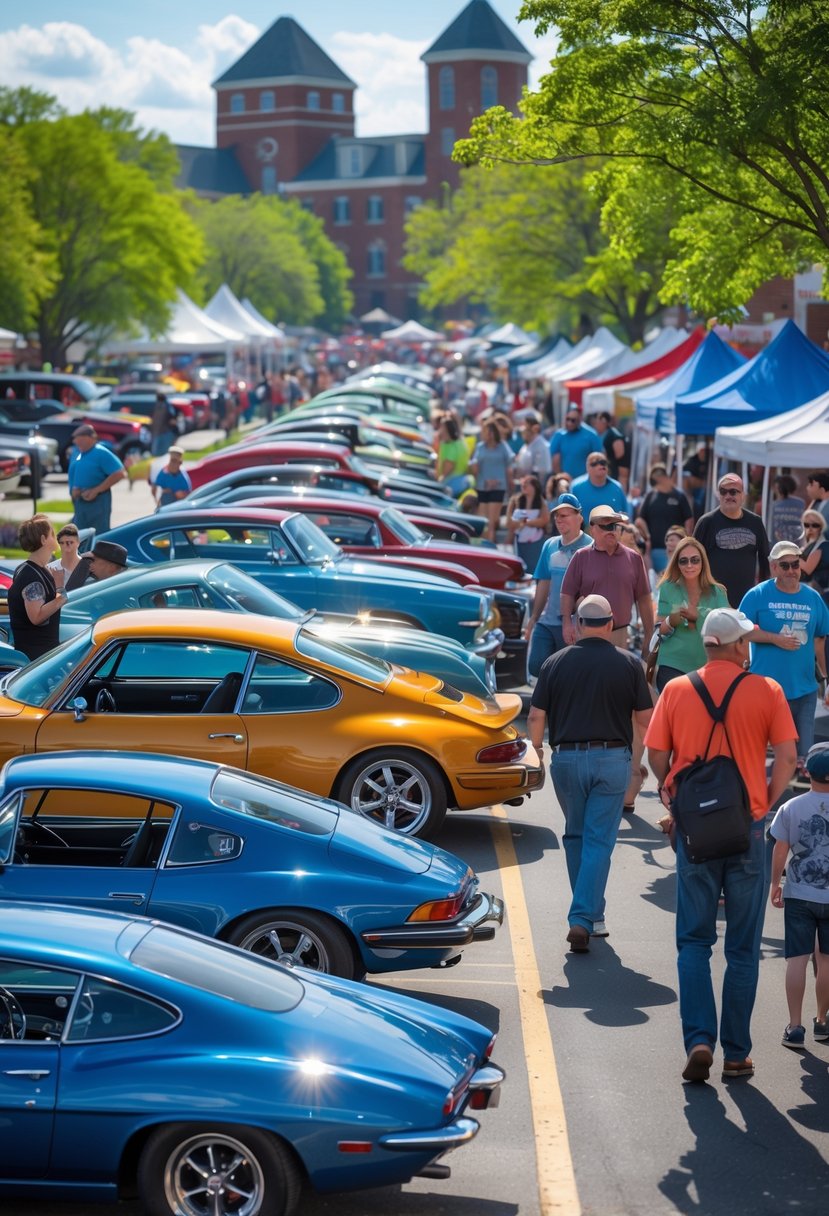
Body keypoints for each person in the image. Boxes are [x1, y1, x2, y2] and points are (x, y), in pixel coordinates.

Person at [646, 607, 797, 1083]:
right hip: (747, 826)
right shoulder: (766, 690)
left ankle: (698, 1040)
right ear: (735, 645)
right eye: (747, 639)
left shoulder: (675, 689)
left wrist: (671, 793)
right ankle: (736, 1052)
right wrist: (764, 806)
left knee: (693, 940)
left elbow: (655, 753)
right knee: (743, 947)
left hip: (695, 830)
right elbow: (789, 757)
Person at [528, 594, 653, 949]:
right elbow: (646, 721)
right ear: (611, 623)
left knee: (576, 836)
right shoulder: (629, 664)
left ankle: (590, 916)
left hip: (566, 759)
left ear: (578, 625)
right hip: (612, 760)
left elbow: (536, 716)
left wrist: (536, 751)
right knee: (599, 840)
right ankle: (583, 917)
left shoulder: (554, 663)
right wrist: (651, 764)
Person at [739, 540, 829, 770]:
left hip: (805, 689)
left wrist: (826, 680)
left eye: (795, 565)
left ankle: (802, 803)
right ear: (774, 567)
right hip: (766, 689)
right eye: (785, 565)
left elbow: (821, 641)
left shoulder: (812, 598)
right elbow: (740, 631)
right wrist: (774, 638)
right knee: (760, 753)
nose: (791, 571)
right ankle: (761, 798)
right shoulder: (757, 594)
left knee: (805, 759)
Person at [769, 741, 829, 1048]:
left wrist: (775, 883)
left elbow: (780, 848)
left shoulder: (791, 807)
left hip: (799, 893)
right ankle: (822, 1020)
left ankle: (795, 1027)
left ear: (807, 772)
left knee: (797, 958)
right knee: (827, 961)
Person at [561, 505, 653, 651]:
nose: (611, 531)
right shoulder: (581, 556)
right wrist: (566, 623)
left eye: (613, 526)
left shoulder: (634, 558)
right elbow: (567, 593)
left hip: (621, 634)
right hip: (587, 635)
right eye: (605, 526)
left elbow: (644, 598)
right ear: (593, 530)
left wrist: (649, 635)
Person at [525, 493, 591, 676]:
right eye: (556, 516)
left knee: (568, 676)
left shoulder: (591, 547)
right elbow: (544, 582)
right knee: (537, 667)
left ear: (579, 517)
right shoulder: (549, 545)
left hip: (576, 627)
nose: (558, 520)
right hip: (547, 622)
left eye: (564, 515)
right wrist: (534, 618)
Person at [653, 536, 729, 692]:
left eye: (695, 560)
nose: (689, 565)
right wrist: (670, 621)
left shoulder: (718, 592)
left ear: (703, 562)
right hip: (672, 662)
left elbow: (728, 627)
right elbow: (659, 629)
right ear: (677, 563)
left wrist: (699, 617)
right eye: (683, 561)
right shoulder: (668, 587)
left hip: (706, 665)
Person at [693, 472, 770, 608]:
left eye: (733, 492)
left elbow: (765, 560)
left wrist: (763, 593)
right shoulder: (706, 522)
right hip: (712, 600)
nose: (728, 496)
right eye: (723, 491)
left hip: (746, 600)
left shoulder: (755, 522)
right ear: (718, 495)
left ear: (743, 496)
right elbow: (692, 560)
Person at [8, 516, 66, 660]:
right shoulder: (31, 576)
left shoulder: (33, 569)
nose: (56, 537)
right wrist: (62, 595)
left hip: (43, 655)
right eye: (52, 533)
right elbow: (36, 616)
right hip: (36, 659)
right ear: (43, 539)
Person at [67, 424, 127, 535]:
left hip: (97, 502)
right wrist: (73, 490)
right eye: (75, 439)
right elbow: (73, 473)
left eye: (79, 439)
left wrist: (96, 490)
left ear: (90, 438)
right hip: (80, 501)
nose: (75, 442)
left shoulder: (101, 452)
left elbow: (119, 473)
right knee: (79, 536)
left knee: (98, 536)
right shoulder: (77, 453)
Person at [635, 465, 693, 574]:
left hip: (675, 549)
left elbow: (689, 520)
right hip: (655, 549)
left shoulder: (679, 496)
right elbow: (640, 520)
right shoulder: (650, 496)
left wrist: (686, 542)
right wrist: (647, 535)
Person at [469, 420, 514, 543]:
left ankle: (490, 547)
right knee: (483, 520)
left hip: (498, 486)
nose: (483, 434)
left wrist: (509, 483)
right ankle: (483, 546)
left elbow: (510, 464)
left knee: (491, 522)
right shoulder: (480, 447)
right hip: (483, 486)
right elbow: (474, 463)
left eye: (485, 431)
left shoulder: (502, 446)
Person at [505, 474, 550, 572]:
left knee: (534, 569)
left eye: (527, 483)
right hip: (518, 541)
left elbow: (544, 520)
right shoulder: (514, 500)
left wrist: (525, 522)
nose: (524, 485)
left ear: (535, 486)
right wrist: (520, 524)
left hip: (535, 542)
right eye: (523, 483)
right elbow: (509, 523)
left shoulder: (541, 502)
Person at [570, 452, 630, 521]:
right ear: (587, 467)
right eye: (594, 463)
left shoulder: (617, 487)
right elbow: (570, 515)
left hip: (611, 530)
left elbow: (625, 516)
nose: (600, 465)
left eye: (603, 462)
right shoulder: (576, 487)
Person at [549, 409, 599, 479]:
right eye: (567, 419)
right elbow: (554, 458)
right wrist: (560, 477)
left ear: (580, 420)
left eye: (573, 420)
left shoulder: (591, 435)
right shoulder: (559, 435)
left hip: (585, 481)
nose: (569, 423)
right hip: (564, 480)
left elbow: (599, 458)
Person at [435, 413, 470, 498]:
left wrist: (438, 483)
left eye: (441, 428)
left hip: (451, 484)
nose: (439, 431)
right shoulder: (460, 442)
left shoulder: (451, 446)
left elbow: (447, 469)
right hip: (461, 482)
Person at [593, 411, 630, 488]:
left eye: (597, 423)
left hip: (616, 471)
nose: (596, 425)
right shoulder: (604, 435)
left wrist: (609, 460)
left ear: (603, 422)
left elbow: (620, 453)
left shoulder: (613, 435)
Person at [513, 412, 552, 482]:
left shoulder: (542, 447)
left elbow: (541, 473)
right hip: (524, 486)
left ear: (535, 428)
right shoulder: (526, 445)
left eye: (525, 427)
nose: (522, 432)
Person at [770, 475, 806, 544]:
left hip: (777, 545)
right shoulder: (801, 503)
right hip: (797, 544)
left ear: (776, 488)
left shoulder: (772, 505)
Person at [800, 509, 829, 592]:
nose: (810, 528)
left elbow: (808, 569)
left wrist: (793, 557)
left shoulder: (823, 545)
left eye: (815, 525)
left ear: (821, 527)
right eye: (806, 525)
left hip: (817, 590)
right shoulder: (807, 545)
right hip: (804, 586)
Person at [47, 523, 82, 587]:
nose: (67, 546)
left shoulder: (88, 568)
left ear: (78, 543)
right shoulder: (50, 569)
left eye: (71, 542)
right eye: (62, 543)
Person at [682, 442, 709, 519]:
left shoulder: (709, 461)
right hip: (693, 489)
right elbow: (687, 477)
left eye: (705, 451)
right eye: (701, 450)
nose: (703, 453)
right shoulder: (692, 460)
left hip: (705, 489)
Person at [150, 391, 177, 457]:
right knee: (158, 454)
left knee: (163, 454)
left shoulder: (166, 406)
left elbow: (172, 420)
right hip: (160, 432)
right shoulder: (163, 406)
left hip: (165, 432)